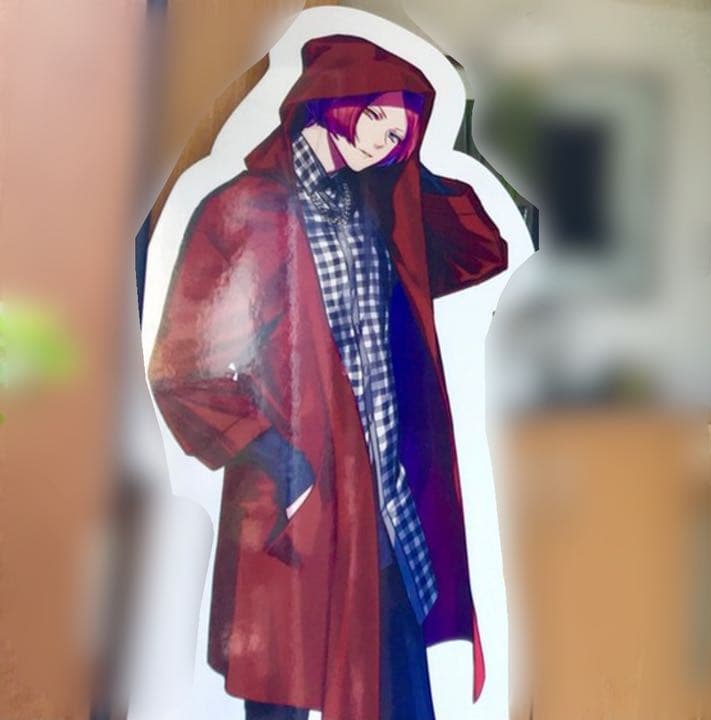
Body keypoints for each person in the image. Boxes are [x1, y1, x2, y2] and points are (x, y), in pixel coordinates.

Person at [148, 34, 508, 720]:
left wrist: (413, 171)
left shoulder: (377, 207)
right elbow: (182, 367)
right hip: (299, 502)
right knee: (284, 685)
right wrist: (277, 461)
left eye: (401, 134)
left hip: (384, 498)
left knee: (396, 691)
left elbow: (480, 248)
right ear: (332, 102)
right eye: (378, 120)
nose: (387, 143)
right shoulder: (244, 208)